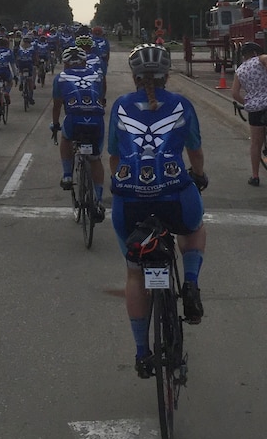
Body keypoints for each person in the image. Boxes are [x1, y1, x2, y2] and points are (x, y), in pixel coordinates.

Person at [107, 44, 207, 378]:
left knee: (135, 272)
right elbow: (194, 150)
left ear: (134, 76)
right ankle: (190, 282)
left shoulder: (120, 106)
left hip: (130, 203)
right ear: (167, 74)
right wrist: (199, 175)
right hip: (173, 196)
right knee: (193, 228)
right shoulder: (181, 104)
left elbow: (113, 158)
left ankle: (141, 353)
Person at [52, 46, 106, 221]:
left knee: (66, 138)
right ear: (85, 61)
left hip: (74, 119)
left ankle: (67, 175)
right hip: (96, 119)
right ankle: (97, 199)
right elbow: (102, 96)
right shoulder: (97, 75)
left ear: (65, 63)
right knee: (96, 159)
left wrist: (55, 124)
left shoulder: (60, 77)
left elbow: (57, 105)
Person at [231, 41, 267, 186]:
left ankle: (255, 176)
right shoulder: (260, 59)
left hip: (255, 110)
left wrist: (247, 102)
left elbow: (234, 93)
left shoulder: (239, 71)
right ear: (255, 52)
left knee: (256, 144)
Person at [0, 36, 17, 110]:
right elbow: (13, 65)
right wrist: (15, 75)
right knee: (10, 82)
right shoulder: (9, 51)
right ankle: (6, 92)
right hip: (5, 72)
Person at [15, 34, 37, 104]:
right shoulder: (32, 48)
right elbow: (35, 57)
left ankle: (21, 82)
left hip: (21, 64)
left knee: (21, 73)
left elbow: (16, 56)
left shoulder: (19, 48)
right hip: (29, 64)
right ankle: (30, 96)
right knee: (30, 79)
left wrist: (17, 63)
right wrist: (36, 63)